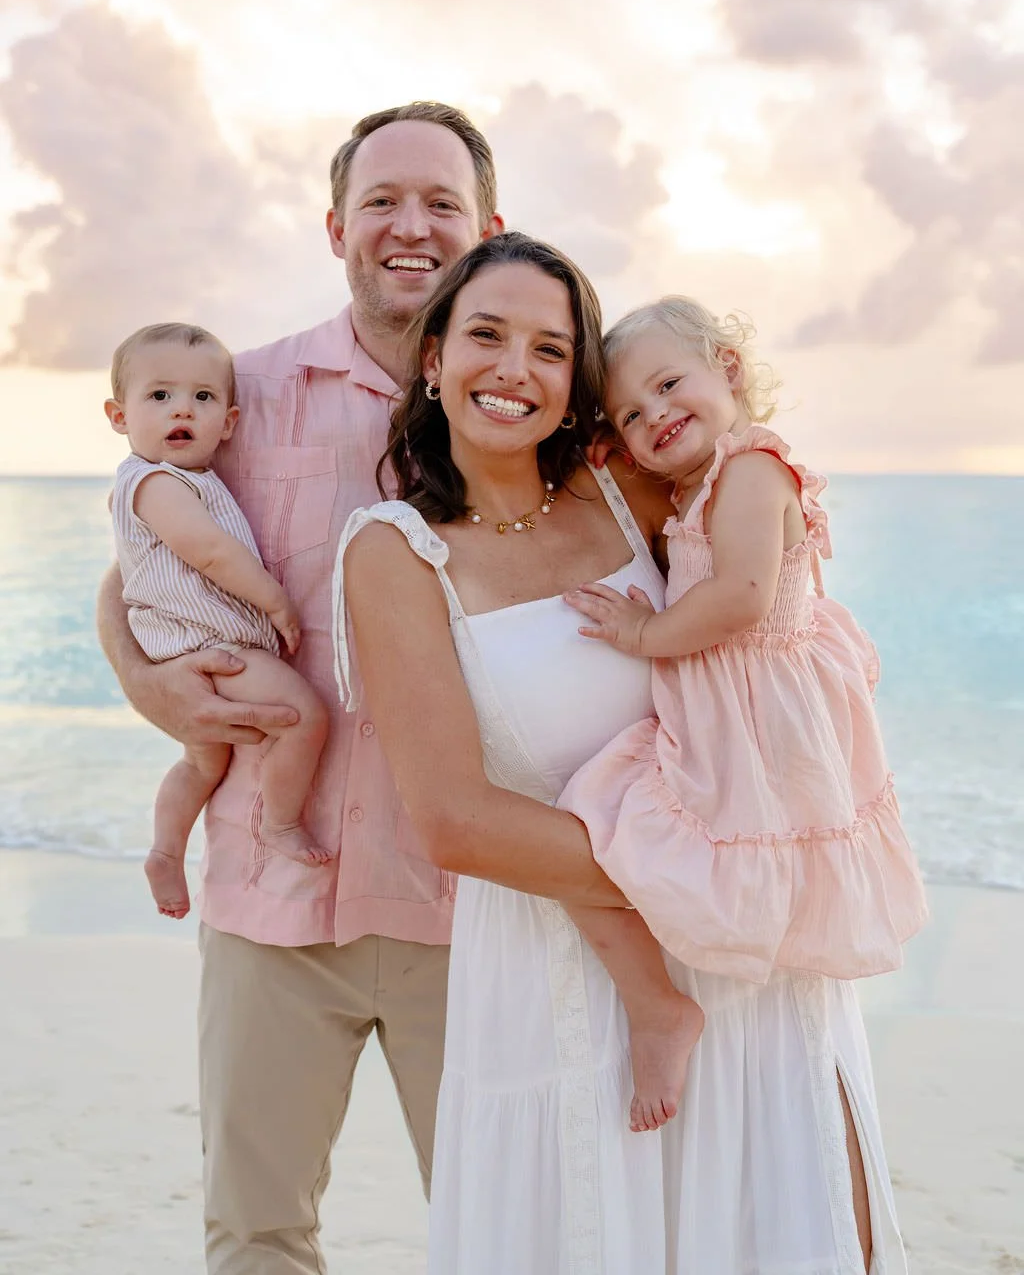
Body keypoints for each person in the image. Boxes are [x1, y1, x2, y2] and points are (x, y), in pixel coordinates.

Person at [340, 235, 909, 1274]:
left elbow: (766, 599)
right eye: (485, 335)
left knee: (798, 1224)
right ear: (433, 361)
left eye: (550, 349)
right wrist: (718, 863)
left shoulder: (631, 497)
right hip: (571, 970)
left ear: (575, 388)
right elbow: (453, 822)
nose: (515, 368)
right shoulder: (392, 552)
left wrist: (781, 838)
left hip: (752, 953)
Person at [96, 102, 502, 1274]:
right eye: (381, 200)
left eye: (440, 203)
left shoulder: (536, 410)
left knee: (506, 1233)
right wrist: (149, 686)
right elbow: (129, 570)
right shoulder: (237, 393)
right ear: (336, 226)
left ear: (488, 228)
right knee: (258, 1237)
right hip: (276, 893)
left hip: (470, 911)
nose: (409, 226)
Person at [559, 296, 930, 1132]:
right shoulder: (692, 484)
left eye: (669, 384)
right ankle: (666, 1000)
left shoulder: (753, 470)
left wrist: (643, 631)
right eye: (631, 412)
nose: (658, 415)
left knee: (605, 812)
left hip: (758, 704)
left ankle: (688, 995)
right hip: (727, 701)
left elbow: (743, 597)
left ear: (726, 367)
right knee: (598, 813)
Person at [106, 321, 331, 918]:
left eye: (202, 398)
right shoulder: (154, 482)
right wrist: (275, 601)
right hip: (214, 643)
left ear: (228, 423)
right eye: (159, 396)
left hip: (187, 647)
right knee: (303, 716)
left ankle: (164, 850)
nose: (182, 408)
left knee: (202, 760)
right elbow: (209, 551)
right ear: (118, 415)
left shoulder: (194, 478)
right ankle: (281, 823)